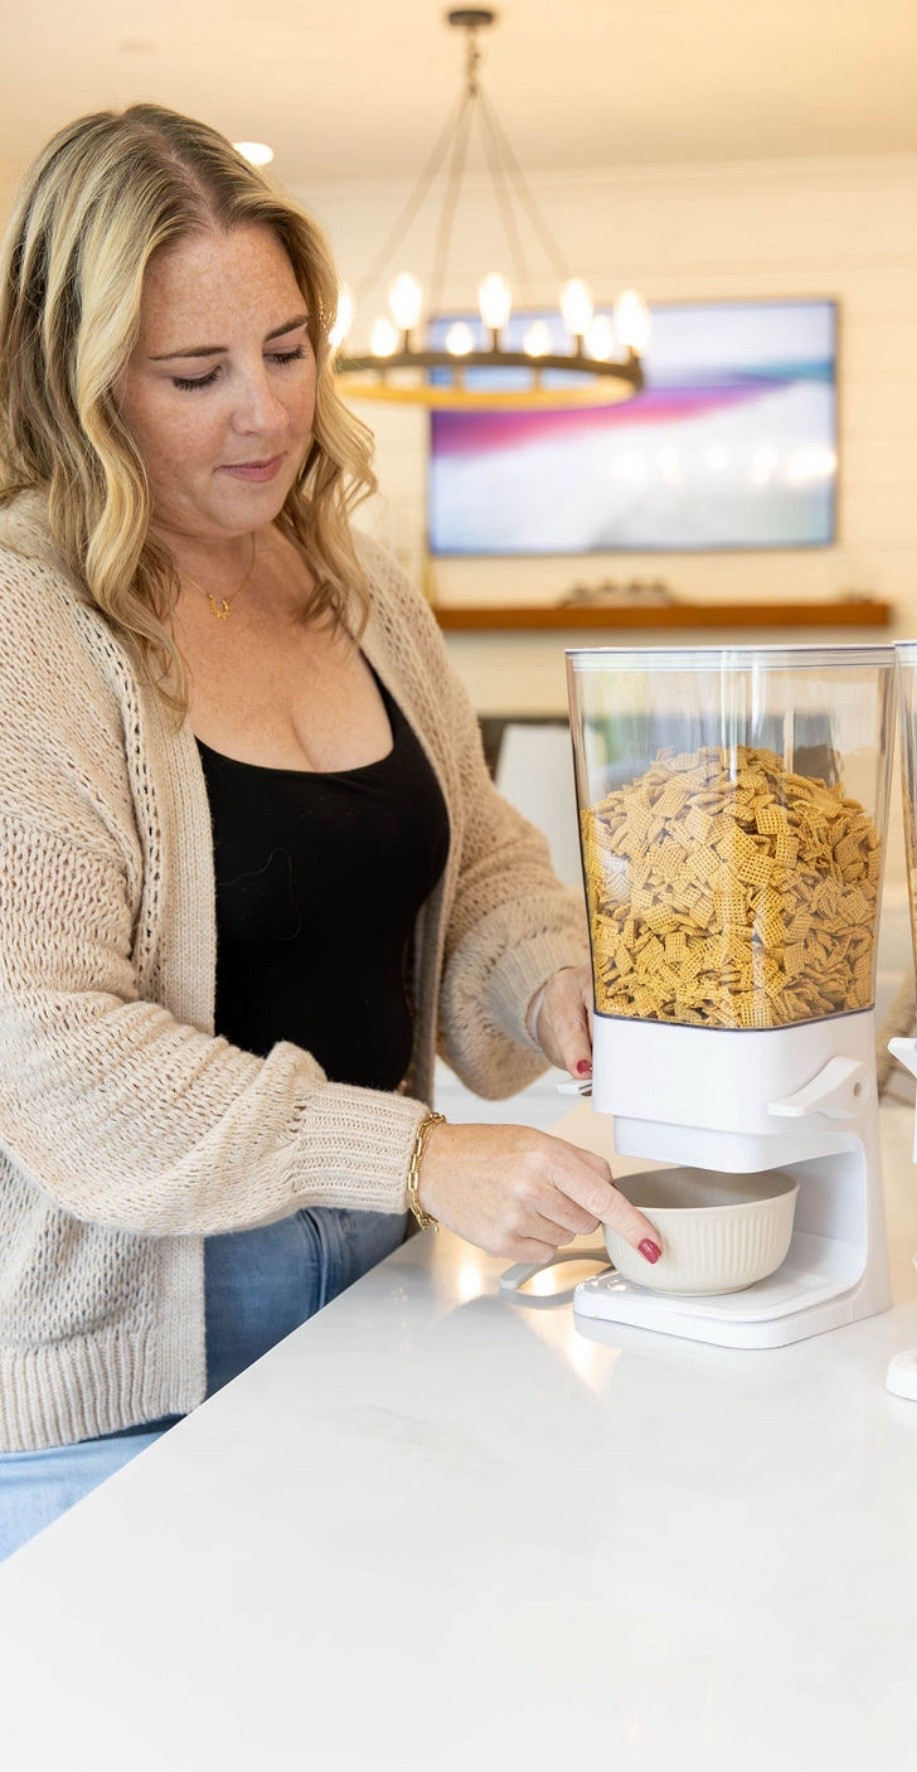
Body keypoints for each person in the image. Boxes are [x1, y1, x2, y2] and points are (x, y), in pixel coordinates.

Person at [0, 104, 661, 1560]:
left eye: (287, 349)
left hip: (378, 1265)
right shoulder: (28, 623)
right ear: (77, 377)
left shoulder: (353, 579)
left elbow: (473, 853)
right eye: (196, 373)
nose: (267, 412)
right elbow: (49, 1047)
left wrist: (545, 978)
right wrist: (421, 1153)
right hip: (120, 1358)